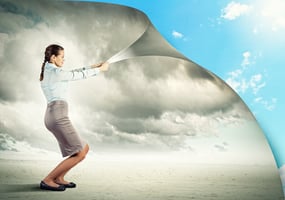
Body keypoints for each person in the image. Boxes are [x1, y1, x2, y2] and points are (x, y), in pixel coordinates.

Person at [39, 44, 109, 191]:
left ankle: (59, 178)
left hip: (54, 115)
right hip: (58, 116)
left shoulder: (51, 71)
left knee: (84, 148)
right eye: (62, 57)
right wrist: (98, 70)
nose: (64, 60)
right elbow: (74, 76)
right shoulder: (55, 73)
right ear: (53, 57)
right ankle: (48, 179)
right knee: (80, 152)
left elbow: (71, 72)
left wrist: (91, 67)